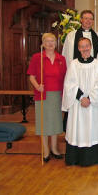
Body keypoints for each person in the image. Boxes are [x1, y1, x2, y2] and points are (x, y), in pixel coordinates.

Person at [62, 37, 98, 166]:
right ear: (78, 48)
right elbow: (69, 84)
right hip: (78, 104)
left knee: (93, 130)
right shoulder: (74, 64)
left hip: (93, 105)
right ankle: (76, 158)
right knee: (78, 129)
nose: (85, 49)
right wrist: (82, 97)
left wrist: (90, 98)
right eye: (82, 46)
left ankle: (94, 157)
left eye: (87, 46)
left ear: (91, 46)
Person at [27, 33, 67, 162]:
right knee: (44, 123)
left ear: (56, 43)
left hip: (57, 95)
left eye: (53, 41)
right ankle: (45, 150)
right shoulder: (37, 57)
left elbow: (66, 78)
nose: (50, 44)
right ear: (43, 43)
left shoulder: (61, 59)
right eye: (47, 41)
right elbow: (31, 76)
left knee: (55, 122)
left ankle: (54, 148)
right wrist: (37, 86)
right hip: (42, 94)